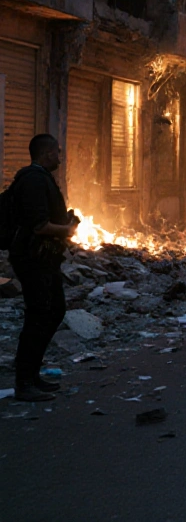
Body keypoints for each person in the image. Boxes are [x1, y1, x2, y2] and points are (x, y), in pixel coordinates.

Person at [6, 134, 80, 402]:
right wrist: (68, 230)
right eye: (57, 152)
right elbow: (39, 226)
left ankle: (33, 375)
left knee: (54, 309)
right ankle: (24, 382)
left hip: (45, 259)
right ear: (47, 153)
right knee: (39, 315)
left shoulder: (40, 178)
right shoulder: (34, 180)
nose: (60, 157)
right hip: (32, 259)